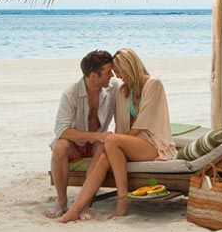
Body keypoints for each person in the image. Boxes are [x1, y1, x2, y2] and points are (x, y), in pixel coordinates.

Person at [59, 47, 176, 222]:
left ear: (130, 68)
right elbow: (122, 128)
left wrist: (116, 142)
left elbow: (140, 126)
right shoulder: (123, 91)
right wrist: (116, 146)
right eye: (114, 72)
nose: (117, 76)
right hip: (132, 145)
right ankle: (76, 209)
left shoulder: (153, 84)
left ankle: (122, 198)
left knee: (111, 140)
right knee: (104, 157)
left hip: (154, 146)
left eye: (119, 71)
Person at [45, 50, 118, 219]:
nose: (112, 75)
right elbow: (62, 130)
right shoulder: (71, 93)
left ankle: (84, 204)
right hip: (75, 145)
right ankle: (62, 203)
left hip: (95, 146)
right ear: (94, 75)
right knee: (59, 145)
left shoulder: (113, 88)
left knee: (103, 145)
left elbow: (137, 83)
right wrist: (97, 136)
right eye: (108, 72)